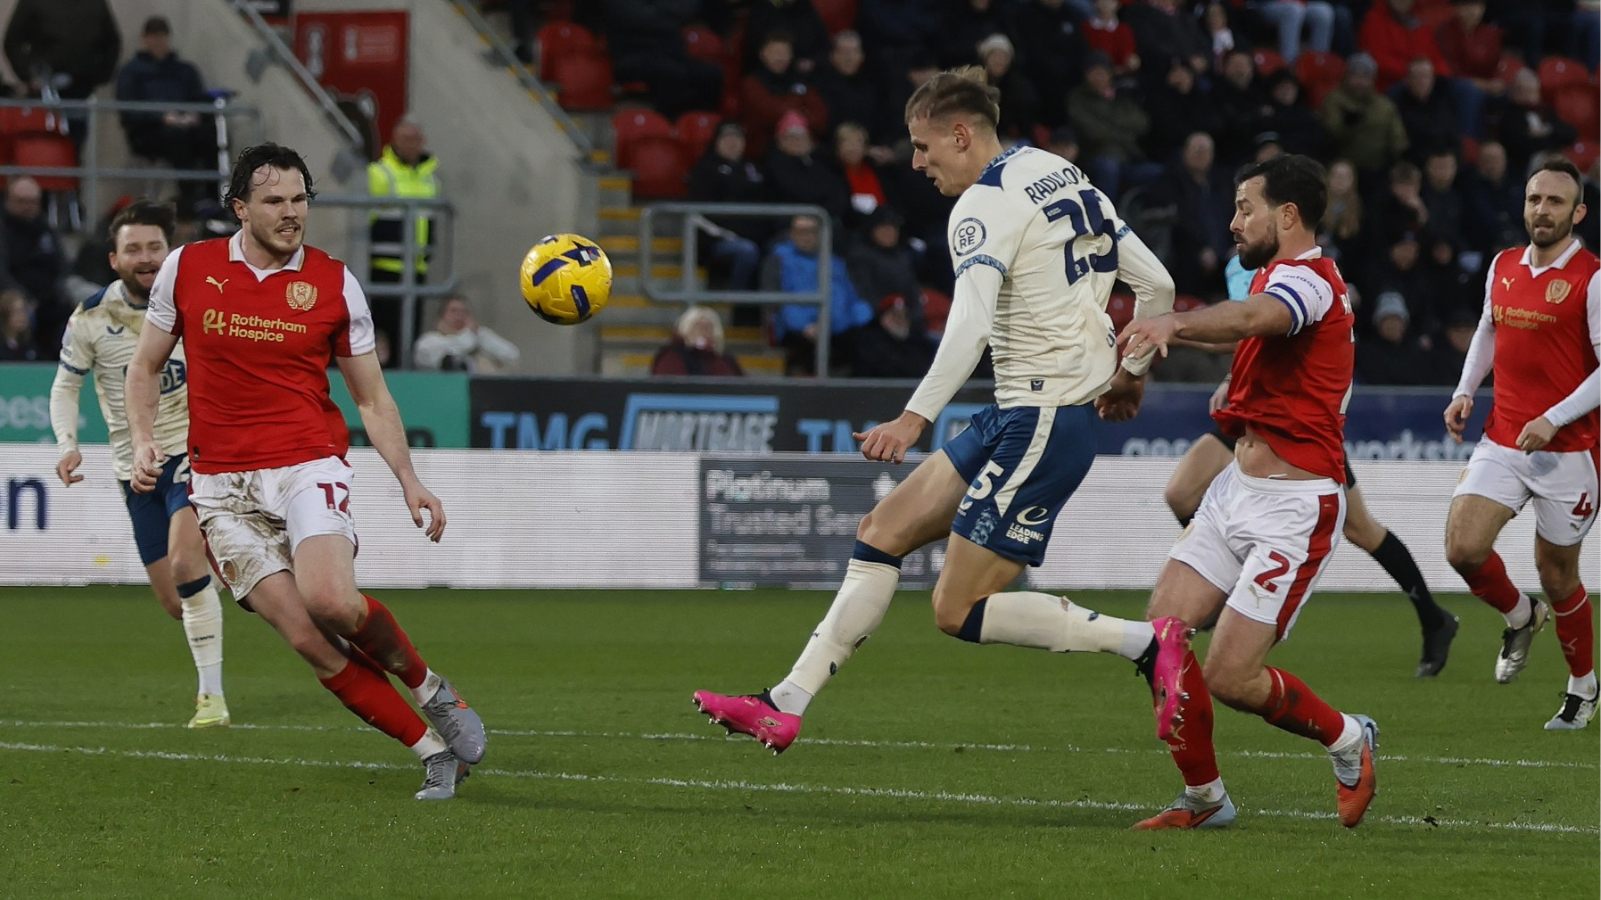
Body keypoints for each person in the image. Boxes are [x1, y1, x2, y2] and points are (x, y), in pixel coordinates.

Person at [693, 66, 1178, 757]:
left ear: (961, 134)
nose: (916, 163)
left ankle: (1145, 643)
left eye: (923, 147)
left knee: (954, 610)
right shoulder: (1055, 170)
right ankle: (784, 703)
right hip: (1030, 409)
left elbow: (968, 326)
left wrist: (913, 418)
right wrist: (1131, 375)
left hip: (1043, 416)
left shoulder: (981, 207)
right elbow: (1155, 282)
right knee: (882, 528)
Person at [124, 143, 486, 799]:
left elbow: (372, 399)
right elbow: (144, 365)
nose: (291, 214)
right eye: (275, 202)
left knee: (329, 602)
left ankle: (429, 686)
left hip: (306, 464)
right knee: (308, 639)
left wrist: (411, 481)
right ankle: (432, 752)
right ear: (240, 208)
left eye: (299, 200)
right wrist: (146, 439)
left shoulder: (334, 282)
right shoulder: (189, 267)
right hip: (219, 487)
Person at [1119, 154, 1379, 830]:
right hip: (1234, 490)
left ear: (1286, 216)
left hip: (1294, 508)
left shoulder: (1312, 283)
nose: (1233, 221)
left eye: (1244, 207)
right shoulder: (1274, 274)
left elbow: (1252, 318)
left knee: (1232, 678)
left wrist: (1174, 322)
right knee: (1162, 639)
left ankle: (1348, 738)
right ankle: (1205, 800)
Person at [49, 200, 229, 728]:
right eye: (134, 249)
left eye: (155, 247)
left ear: (169, 251)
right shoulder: (91, 318)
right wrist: (67, 443)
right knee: (177, 601)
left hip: (196, 453)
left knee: (182, 563)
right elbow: (65, 386)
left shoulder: (199, 301)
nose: (146, 258)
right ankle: (231, 567)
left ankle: (211, 698)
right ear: (114, 259)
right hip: (134, 468)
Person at [1442, 156, 1598, 731]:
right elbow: (1489, 328)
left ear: (1577, 212)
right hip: (1504, 437)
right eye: (1535, 199)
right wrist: (1464, 392)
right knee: (1462, 547)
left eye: (1556, 201)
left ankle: (1583, 687)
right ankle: (1518, 613)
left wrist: (1554, 419)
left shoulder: (1593, 278)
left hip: (1570, 450)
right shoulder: (1504, 264)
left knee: (1559, 575)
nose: (1542, 210)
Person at [114, 17, 216, 215]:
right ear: (145, 39)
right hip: (149, 132)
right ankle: (189, 198)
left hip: (186, 125)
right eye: (153, 37)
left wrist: (193, 116)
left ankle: (212, 198)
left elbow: (199, 99)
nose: (158, 42)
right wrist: (162, 117)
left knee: (210, 134)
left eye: (161, 36)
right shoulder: (131, 72)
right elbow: (128, 109)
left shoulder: (185, 70)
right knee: (176, 137)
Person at [367, 117, 440, 346]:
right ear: (394, 140)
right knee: (382, 339)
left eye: (415, 139)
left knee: (409, 338)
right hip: (384, 268)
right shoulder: (379, 173)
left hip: (417, 268)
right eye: (406, 139)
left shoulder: (430, 178)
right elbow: (363, 221)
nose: (411, 144)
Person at [413, 295, 520, 373]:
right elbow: (447, 357)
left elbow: (512, 355)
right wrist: (468, 336)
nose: (459, 316)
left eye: (464, 312)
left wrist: (480, 335)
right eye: (453, 311)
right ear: (441, 316)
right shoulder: (428, 341)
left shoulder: (478, 336)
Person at [650, 305, 744, 376]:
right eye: (697, 326)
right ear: (685, 330)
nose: (703, 331)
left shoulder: (725, 359)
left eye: (708, 327)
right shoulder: (671, 356)